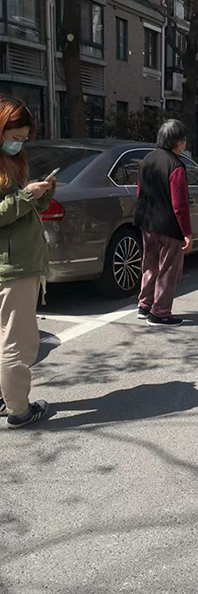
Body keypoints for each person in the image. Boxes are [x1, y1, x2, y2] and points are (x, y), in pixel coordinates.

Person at [0, 97, 55, 429]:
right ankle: (19, 409)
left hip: (15, 262)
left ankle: (6, 397)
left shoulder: (13, 161)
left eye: (23, 138)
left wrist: (42, 194)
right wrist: (26, 196)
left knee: (6, 337)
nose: (18, 144)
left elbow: (21, 210)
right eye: (14, 137)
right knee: (16, 342)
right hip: (13, 266)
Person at [134, 119, 192, 327]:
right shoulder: (176, 165)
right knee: (168, 269)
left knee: (150, 265)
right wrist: (187, 233)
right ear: (177, 141)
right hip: (168, 225)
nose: (185, 143)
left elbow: (139, 190)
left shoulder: (147, 159)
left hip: (147, 221)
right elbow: (180, 205)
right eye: (183, 139)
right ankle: (160, 313)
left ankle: (145, 305)